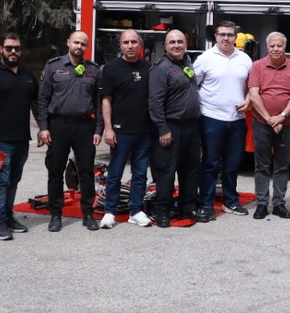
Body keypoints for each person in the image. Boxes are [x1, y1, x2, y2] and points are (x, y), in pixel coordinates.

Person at [37, 30, 103, 232]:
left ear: (86, 47)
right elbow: (43, 99)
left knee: (86, 171)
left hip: (85, 126)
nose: (79, 46)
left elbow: (99, 103)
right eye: (76, 42)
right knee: (55, 170)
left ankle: (88, 214)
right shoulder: (53, 66)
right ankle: (55, 214)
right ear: (68, 42)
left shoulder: (94, 70)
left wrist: (99, 128)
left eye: (83, 44)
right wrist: (43, 128)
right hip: (59, 125)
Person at [0, 33, 39, 241]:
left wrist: (42, 128)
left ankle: (8, 216)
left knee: (13, 181)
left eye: (17, 48)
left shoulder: (27, 74)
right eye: (9, 48)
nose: (13, 51)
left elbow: (35, 104)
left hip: (22, 139)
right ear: (1, 49)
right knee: (1, 181)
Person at [193, 20, 252, 220]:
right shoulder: (204, 59)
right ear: (215, 36)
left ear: (236, 37)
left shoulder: (245, 59)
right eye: (222, 34)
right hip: (211, 118)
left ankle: (231, 201)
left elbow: (252, 87)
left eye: (230, 35)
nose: (226, 38)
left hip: (237, 120)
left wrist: (248, 100)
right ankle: (206, 203)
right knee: (210, 163)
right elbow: (192, 86)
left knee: (232, 164)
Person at [148, 29, 202, 228]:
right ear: (166, 45)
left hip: (191, 127)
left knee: (191, 170)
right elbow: (155, 102)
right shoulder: (161, 68)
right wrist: (162, 128)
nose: (177, 45)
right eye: (172, 42)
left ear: (185, 44)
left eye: (180, 41)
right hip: (171, 127)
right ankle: (162, 211)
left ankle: (187, 207)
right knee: (166, 172)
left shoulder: (187, 62)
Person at [100, 29, 154, 228]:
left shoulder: (148, 68)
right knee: (115, 173)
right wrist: (108, 128)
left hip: (144, 131)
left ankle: (136, 211)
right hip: (120, 132)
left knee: (140, 174)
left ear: (140, 44)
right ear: (120, 45)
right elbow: (106, 100)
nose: (130, 46)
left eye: (133, 42)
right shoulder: (111, 69)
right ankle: (109, 212)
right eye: (126, 42)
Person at [247, 32, 290, 219]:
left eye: (279, 45)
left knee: (282, 165)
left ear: (285, 47)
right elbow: (254, 94)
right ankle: (262, 204)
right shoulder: (257, 66)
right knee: (261, 165)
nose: (276, 49)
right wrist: (270, 119)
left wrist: (281, 116)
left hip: (285, 123)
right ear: (267, 47)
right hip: (262, 123)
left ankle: (279, 203)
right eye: (272, 46)